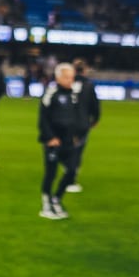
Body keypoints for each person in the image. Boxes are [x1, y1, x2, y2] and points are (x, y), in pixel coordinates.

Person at [37, 63, 88, 220]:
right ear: (58, 77)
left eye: (71, 77)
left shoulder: (74, 94)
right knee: (50, 174)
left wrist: (76, 134)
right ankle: (46, 204)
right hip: (53, 141)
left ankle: (57, 198)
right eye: (66, 77)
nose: (69, 80)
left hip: (68, 141)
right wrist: (49, 137)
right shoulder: (51, 92)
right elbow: (43, 117)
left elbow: (76, 116)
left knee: (72, 171)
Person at [64, 58, 101, 193]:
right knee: (77, 152)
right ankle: (71, 179)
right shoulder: (89, 85)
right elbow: (95, 106)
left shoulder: (67, 83)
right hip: (82, 124)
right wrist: (95, 120)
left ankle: (68, 173)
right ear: (84, 70)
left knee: (69, 149)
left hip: (66, 122)